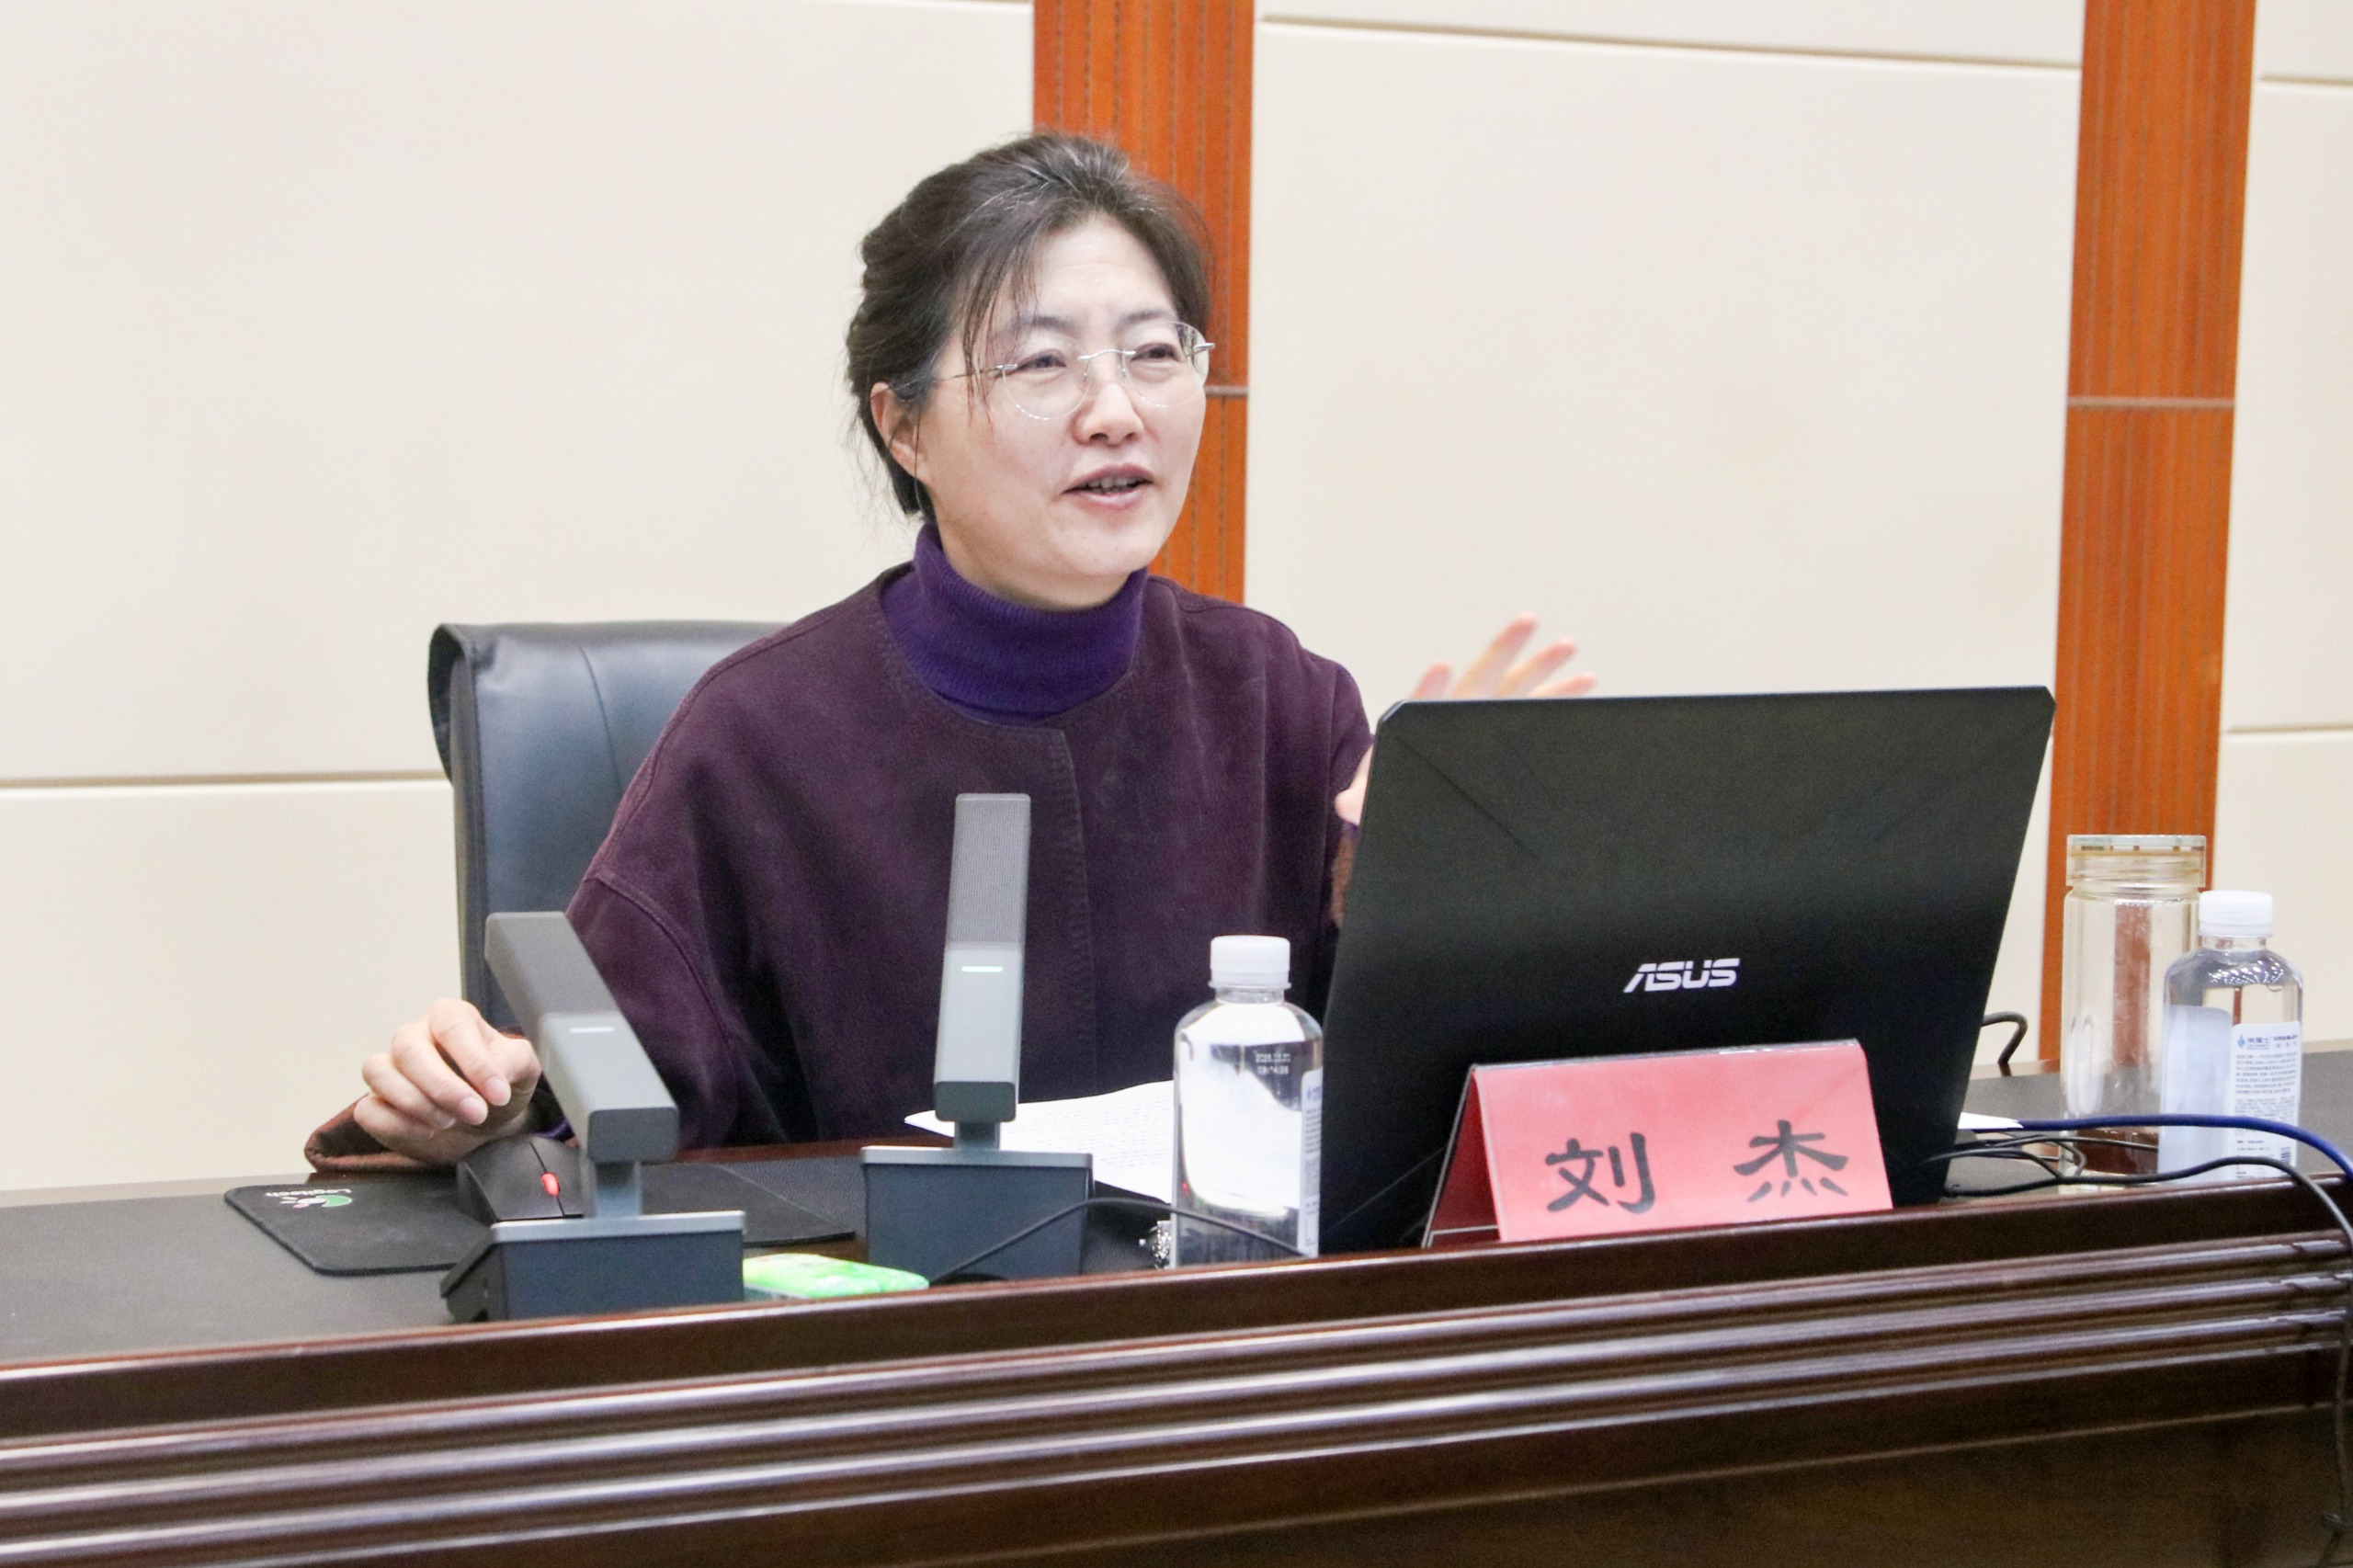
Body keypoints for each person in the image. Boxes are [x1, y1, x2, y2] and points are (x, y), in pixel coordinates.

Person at [312, 133, 1590, 1170]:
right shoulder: (759, 735)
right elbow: (589, 1108)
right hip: (881, 1364)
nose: (1116, 410)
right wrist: (476, 1107)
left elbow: (1390, 1122)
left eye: (1155, 354)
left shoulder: (1281, 698)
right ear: (905, 427)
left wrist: (1423, 913)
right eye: (1042, 362)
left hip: (1213, 1350)